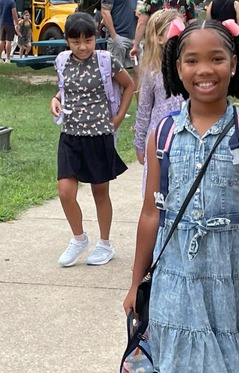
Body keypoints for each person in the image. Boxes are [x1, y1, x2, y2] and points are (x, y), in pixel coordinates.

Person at [122, 19, 239, 372]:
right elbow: (150, 214)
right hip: (175, 280)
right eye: (192, 60)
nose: (204, 70)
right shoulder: (163, 135)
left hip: (236, 281)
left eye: (217, 58)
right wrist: (135, 283)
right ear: (177, 66)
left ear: (234, 63)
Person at [49, 12, 135, 267]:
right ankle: (79, 238)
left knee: (100, 192)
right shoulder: (62, 61)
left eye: (88, 40)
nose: (83, 46)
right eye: (76, 41)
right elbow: (65, 89)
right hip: (70, 135)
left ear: (96, 38)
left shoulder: (106, 61)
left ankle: (105, 244)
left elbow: (129, 85)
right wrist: (55, 99)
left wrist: (118, 118)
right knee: (65, 191)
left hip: (99, 136)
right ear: (67, 41)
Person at [133, 9, 184, 195]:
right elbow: (144, 108)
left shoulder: (188, 65)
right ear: (159, 38)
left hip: (185, 133)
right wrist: (140, 144)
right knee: (157, 190)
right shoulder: (152, 69)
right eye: (175, 31)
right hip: (159, 136)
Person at [130, 0, 197, 60]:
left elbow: (142, 22)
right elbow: (193, 24)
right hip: (178, 40)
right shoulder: (187, 1)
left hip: (155, 40)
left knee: (153, 65)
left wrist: (136, 45)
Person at [101, 0, 137, 69]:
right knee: (116, 74)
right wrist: (114, 37)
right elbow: (105, 12)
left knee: (139, 72)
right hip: (118, 37)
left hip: (134, 39)